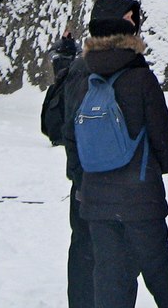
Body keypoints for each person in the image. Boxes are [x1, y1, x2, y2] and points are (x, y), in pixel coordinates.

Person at [61, 0, 168, 308]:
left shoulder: (80, 77)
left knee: (109, 280)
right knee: (160, 276)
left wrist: (85, 181)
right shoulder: (141, 78)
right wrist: (151, 172)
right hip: (142, 198)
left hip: (95, 201)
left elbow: (70, 138)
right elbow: (163, 139)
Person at [44, 27, 96, 308]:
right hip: (93, 180)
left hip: (83, 177)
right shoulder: (83, 71)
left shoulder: (75, 67)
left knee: (84, 249)